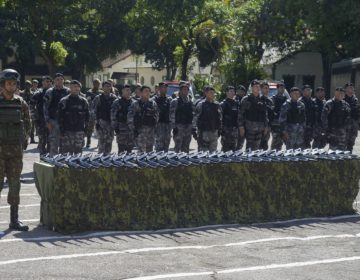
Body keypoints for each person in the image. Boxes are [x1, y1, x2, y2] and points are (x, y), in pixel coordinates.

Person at [0, 69, 31, 231]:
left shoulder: (21, 103)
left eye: (13, 84)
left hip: (15, 152)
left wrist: (23, 139)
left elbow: (28, 123)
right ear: (2, 84)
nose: (11, 87)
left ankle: (14, 220)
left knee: (14, 185)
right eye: (8, 84)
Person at [58, 80, 89, 154]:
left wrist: (86, 130)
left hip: (79, 132)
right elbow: (59, 117)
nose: (77, 88)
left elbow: (87, 117)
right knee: (65, 154)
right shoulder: (64, 101)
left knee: (78, 154)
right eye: (74, 87)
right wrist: (61, 131)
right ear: (70, 88)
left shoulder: (84, 101)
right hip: (67, 132)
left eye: (78, 87)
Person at [43, 73, 70, 156]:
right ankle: (53, 164)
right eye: (57, 79)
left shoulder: (68, 91)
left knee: (65, 145)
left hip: (65, 122)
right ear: (54, 81)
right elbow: (45, 108)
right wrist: (47, 122)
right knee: (54, 145)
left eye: (61, 79)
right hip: (53, 121)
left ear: (64, 80)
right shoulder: (50, 92)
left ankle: (62, 165)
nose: (59, 81)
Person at [127, 85, 159, 152]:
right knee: (141, 152)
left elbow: (156, 116)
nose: (148, 93)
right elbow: (130, 117)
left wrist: (155, 128)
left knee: (150, 151)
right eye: (146, 91)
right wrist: (133, 129)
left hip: (151, 131)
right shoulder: (135, 104)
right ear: (141, 93)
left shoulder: (153, 103)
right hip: (140, 131)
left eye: (149, 91)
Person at [239, 80, 268, 150]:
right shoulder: (246, 99)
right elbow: (240, 114)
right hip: (249, 128)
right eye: (255, 87)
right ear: (251, 88)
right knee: (249, 148)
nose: (258, 88)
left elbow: (265, 114)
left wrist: (266, 126)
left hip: (260, 128)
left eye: (258, 87)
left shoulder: (263, 99)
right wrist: (241, 127)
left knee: (257, 148)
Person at [193, 86, 222, 152]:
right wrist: (194, 130)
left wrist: (220, 129)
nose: (212, 94)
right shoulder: (201, 104)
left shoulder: (217, 105)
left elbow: (220, 118)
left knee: (213, 153)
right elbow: (195, 118)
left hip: (214, 132)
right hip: (203, 133)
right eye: (210, 93)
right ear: (206, 93)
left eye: (213, 93)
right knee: (203, 154)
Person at [93, 81, 117, 154]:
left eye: (109, 86)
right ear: (102, 88)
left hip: (110, 124)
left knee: (109, 143)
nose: (108, 87)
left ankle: (107, 160)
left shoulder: (114, 98)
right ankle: (100, 161)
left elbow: (117, 110)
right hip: (101, 123)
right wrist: (96, 121)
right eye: (106, 86)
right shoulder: (98, 98)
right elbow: (93, 110)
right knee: (101, 143)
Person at [29, 76, 52, 155]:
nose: (47, 83)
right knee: (42, 142)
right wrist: (35, 118)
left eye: (49, 81)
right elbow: (31, 106)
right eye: (46, 81)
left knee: (51, 143)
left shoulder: (54, 92)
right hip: (41, 121)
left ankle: (50, 161)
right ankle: (42, 160)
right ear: (42, 82)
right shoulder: (39, 93)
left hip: (51, 122)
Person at [170, 83, 194, 153]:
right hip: (179, 127)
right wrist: (174, 127)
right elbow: (172, 115)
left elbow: (193, 114)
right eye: (184, 89)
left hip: (188, 126)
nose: (185, 91)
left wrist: (193, 126)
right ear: (180, 91)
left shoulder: (190, 102)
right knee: (178, 147)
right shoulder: (175, 101)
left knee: (186, 147)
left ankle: (185, 162)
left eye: (187, 90)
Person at [111, 84, 134, 153]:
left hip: (131, 130)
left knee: (130, 150)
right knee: (121, 150)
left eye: (129, 90)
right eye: (126, 90)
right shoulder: (117, 102)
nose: (128, 92)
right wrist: (115, 127)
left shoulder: (133, 102)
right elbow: (113, 116)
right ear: (122, 91)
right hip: (121, 129)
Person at [220, 86, 239, 152]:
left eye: (233, 91)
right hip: (226, 130)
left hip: (235, 130)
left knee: (234, 149)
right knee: (225, 149)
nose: (232, 93)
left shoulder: (236, 103)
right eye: (230, 91)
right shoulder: (223, 104)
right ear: (226, 93)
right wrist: (221, 130)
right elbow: (220, 118)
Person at [154, 82, 172, 152]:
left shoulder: (170, 99)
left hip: (168, 125)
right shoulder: (155, 99)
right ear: (159, 89)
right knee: (159, 145)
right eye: (163, 87)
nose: (164, 89)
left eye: (166, 88)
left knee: (166, 144)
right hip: (159, 125)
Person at [85, 79, 102, 148]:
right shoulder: (89, 92)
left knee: (99, 128)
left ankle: (99, 142)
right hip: (91, 112)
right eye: (95, 83)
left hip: (99, 113)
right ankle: (88, 142)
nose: (96, 85)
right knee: (90, 128)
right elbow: (87, 100)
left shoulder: (101, 93)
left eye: (98, 83)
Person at [270, 82, 287, 150]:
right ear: (277, 89)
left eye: (283, 88)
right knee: (275, 143)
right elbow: (271, 112)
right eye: (281, 88)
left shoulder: (286, 99)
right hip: (276, 124)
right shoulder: (273, 99)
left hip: (284, 124)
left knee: (284, 142)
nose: (282, 89)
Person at [344, 82, 360, 152]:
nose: (350, 90)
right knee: (342, 145)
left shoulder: (355, 100)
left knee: (350, 145)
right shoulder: (342, 99)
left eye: (352, 89)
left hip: (354, 126)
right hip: (344, 127)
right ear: (345, 90)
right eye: (349, 89)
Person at [20, 80, 35, 146]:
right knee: (23, 125)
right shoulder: (21, 93)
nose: (27, 86)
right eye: (26, 84)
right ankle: (24, 138)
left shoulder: (33, 93)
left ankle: (32, 138)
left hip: (31, 111)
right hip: (23, 111)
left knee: (32, 125)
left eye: (28, 85)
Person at [260, 81, 274, 150]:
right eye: (265, 88)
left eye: (268, 88)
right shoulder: (258, 99)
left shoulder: (270, 101)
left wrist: (269, 126)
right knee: (258, 145)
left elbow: (271, 114)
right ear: (261, 89)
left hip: (268, 126)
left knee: (265, 144)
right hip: (259, 126)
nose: (267, 90)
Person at [235, 85, 246, 150]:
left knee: (240, 144)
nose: (240, 92)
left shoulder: (245, 100)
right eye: (239, 91)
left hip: (245, 125)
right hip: (235, 126)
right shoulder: (234, 100)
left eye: (242, 91)